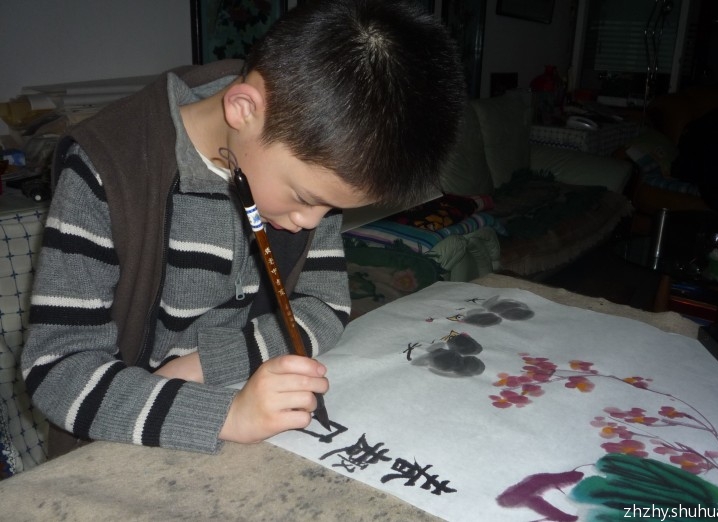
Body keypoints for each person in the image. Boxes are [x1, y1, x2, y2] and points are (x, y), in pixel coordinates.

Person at [21, 0, 464, 457]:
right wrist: (225, 414)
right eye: (305, 198)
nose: (311, 223)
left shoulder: (309, 153)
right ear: (243, 109)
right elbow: (56, 370)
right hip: (114, 444)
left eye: (333, 208)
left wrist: (206, 365)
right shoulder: (107, 168)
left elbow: (325, 306)